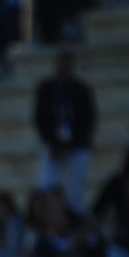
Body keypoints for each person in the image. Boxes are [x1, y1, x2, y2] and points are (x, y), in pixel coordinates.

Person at [33, 49, 95, 210]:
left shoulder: (81, 90)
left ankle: (74, 220)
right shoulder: (45, 89)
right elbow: (40, 119)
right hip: (52, 145)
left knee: (74, 192)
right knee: (45, 187)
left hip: (76, 146)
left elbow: (87, 120)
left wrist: (71, 145)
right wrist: (53, 143)